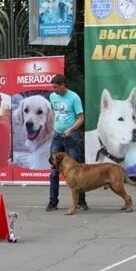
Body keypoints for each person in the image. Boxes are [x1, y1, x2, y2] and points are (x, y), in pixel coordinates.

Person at [46, 75, 87, 212]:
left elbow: (81, 118)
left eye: (56, 87)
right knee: (53, 171)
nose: (53, 89)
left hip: (72, 137)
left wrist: (70, 129)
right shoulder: (52, 97)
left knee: (78, 170)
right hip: (57, 136)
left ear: (63, 85)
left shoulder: (74, 97)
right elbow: (55, 113)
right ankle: (53, 202)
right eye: (53, 87)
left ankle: (81, 201)